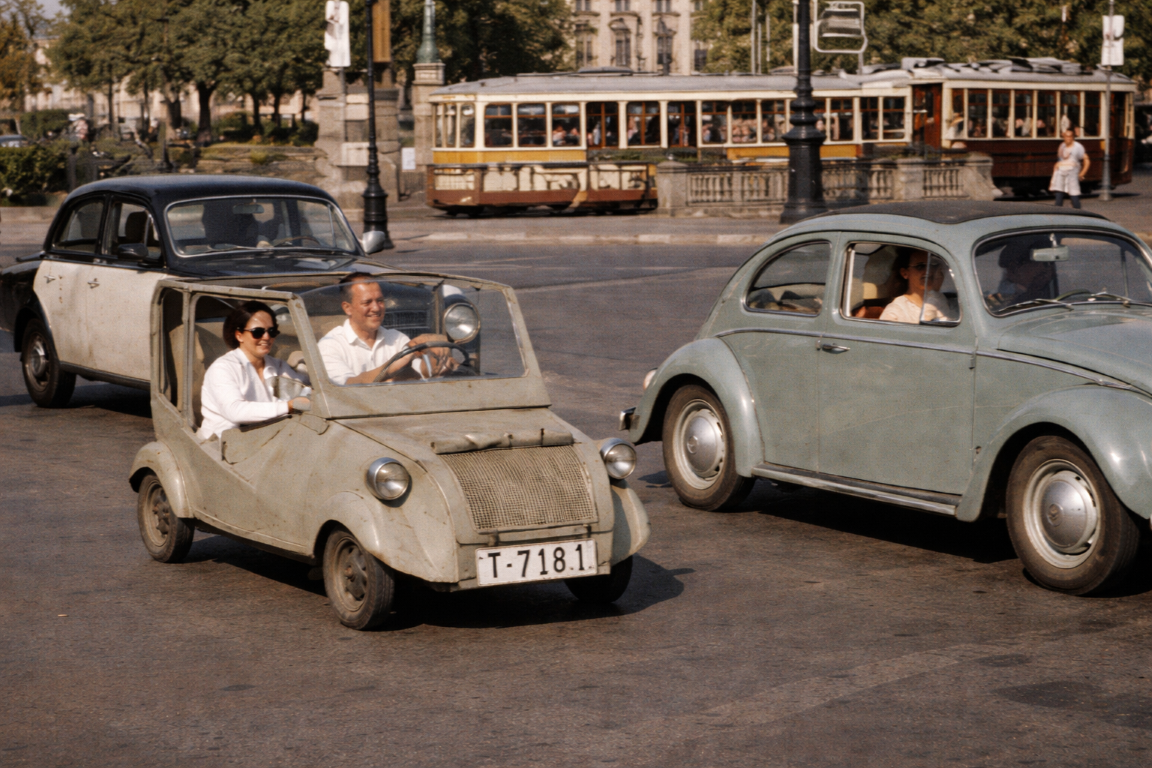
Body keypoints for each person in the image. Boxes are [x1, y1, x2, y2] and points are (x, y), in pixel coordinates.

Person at [197, 301, 310, 440]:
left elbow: (303, 393)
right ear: (239, 335)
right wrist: (288, 406)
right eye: (258, 332)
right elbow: (235, 411)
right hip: (224, 445)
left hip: (267, 438)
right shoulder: (222, 368)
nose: (267, 337)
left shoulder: (278, 366)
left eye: (272, 331)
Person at [318, 274, 456, 385]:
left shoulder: (397, 338)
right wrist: (389, 369)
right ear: (347, 308)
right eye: (367, 302)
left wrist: (436, 355)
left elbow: (423, 372)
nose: (376, 308)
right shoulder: (330, 345)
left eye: (380, 301)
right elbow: (348, 385)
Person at [879, 250, 955, 324]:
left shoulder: (940, 299)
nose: (929, 271)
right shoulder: (894, 312)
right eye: (920, 266)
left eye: (932, 265)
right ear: (905, 273)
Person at [1049, 128, 1090, 209]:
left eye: (1070, 136)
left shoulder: (1078, 147)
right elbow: (1059, 160)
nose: (1068, 138)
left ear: (1073, 137)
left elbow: (1087, 160)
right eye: (1066, 136)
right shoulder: (1062, 146)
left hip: (1072, 174)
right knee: (1058, 197)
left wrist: (1082, 173)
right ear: (1063, 137)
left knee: (1074, 196)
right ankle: (1058, 215)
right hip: (1060, 174)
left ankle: (1079, 215)